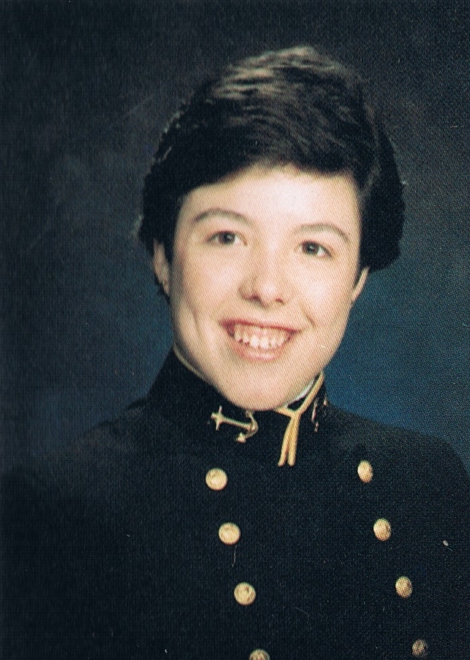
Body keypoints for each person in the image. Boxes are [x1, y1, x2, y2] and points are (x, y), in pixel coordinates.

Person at [3, 45, 469, 660]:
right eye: (227, 237)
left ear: (357, 278)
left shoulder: (429, 483)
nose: (267, 288)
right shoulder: (53, 512)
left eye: (313, 248)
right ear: (162, 255)